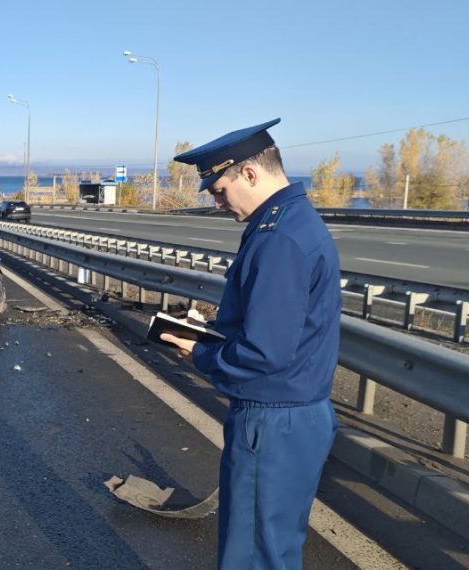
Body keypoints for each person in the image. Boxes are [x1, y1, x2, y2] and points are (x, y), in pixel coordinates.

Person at [163, 118, 341, 569]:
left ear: (248, 173)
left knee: (254, 555)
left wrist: (199, 352)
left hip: (272, 419)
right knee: (274, 547)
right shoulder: (292, 220)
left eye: (219, 190)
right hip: (294, 413)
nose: (217, 203)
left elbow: (264, 351)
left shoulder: (276, 238)